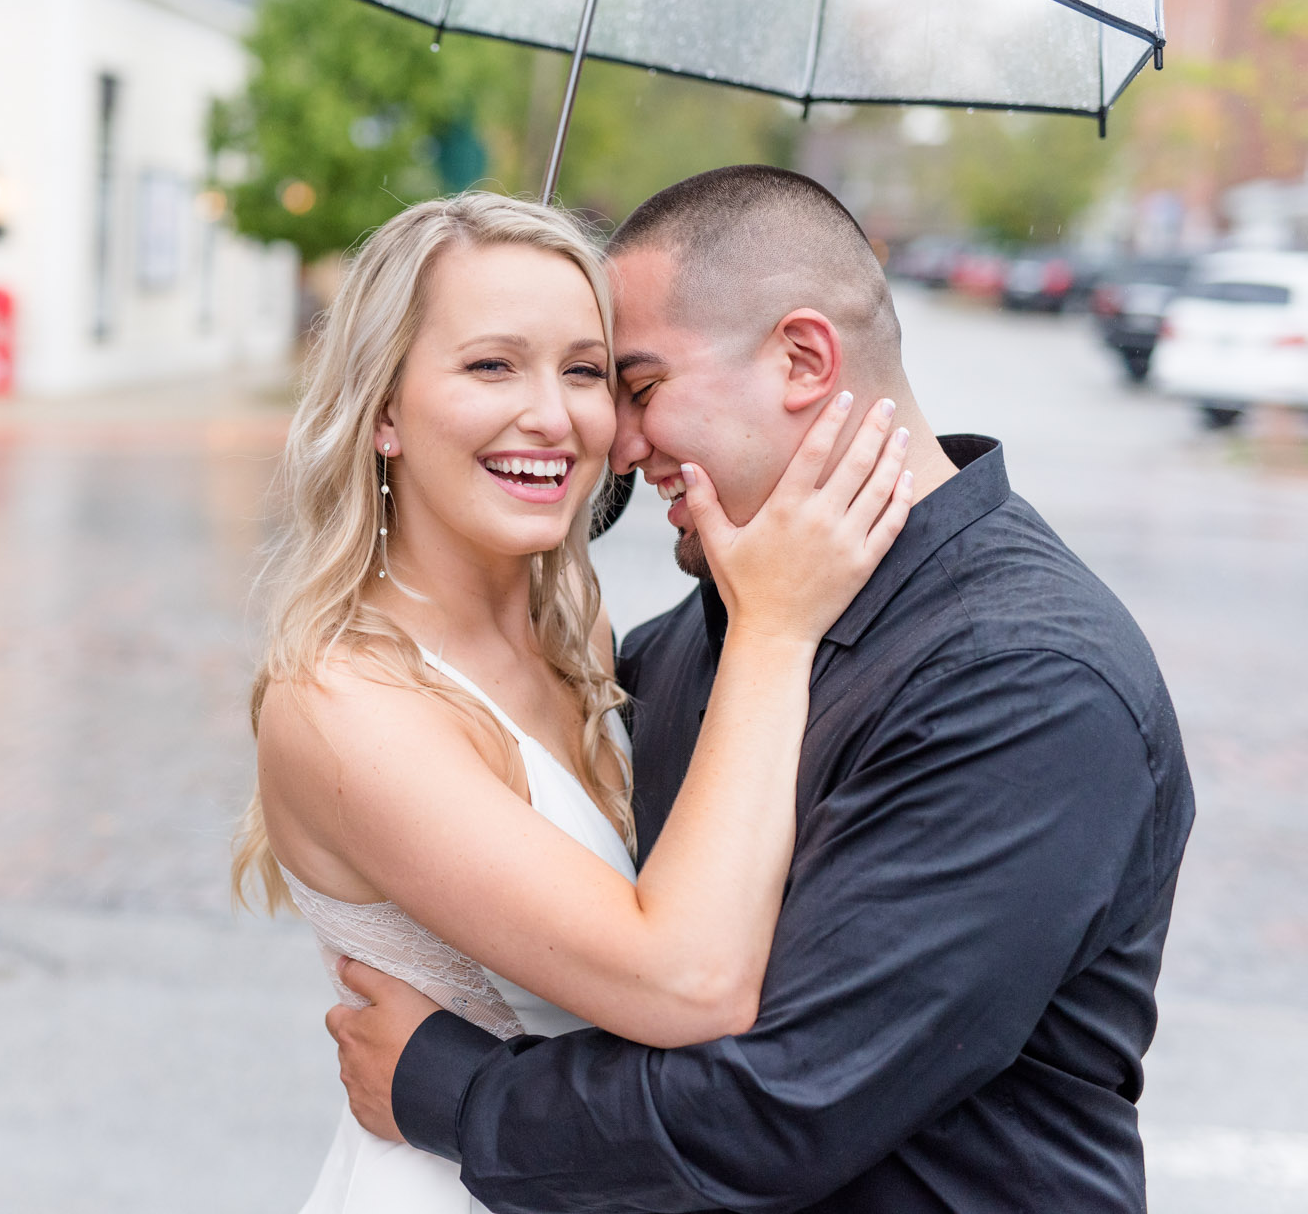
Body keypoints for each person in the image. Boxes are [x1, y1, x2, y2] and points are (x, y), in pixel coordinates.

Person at [327, 167, 1197, 1213]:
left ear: (799, 358)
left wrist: (446, 1085)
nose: (619, 440)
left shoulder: (1027, 684)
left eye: (634, 385)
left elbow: (777, 1105)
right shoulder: (703, 639)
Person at [243, 191, 915, 1214]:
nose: (553, 415)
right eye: (489, 365)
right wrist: (776, 628)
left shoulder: (580, 645)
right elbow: (685, 980)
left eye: (587, 370)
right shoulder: (342, 699)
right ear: (383, 411)